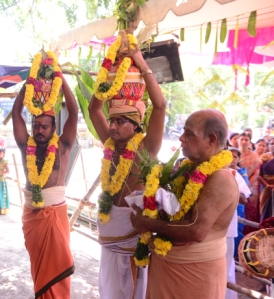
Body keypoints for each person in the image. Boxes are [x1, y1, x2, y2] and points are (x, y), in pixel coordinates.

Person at [130, 109, 239, 299]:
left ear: (211, 140)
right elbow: (178, 214)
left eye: (189, 134)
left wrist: (146, 223)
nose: (181, 138)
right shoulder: (186, 169)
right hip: (167, 268)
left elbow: (195, 230)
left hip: (194, 276)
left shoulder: (220, 178)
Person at [88, 45, 166, 298]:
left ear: (136, 126)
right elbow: (94, 110)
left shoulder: (146, 149)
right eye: (112, 120)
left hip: (133, 242)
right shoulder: (110, 144)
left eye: (120, 121)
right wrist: (108, 69)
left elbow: (161, 106)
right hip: (109, 241)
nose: (113, 125)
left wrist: (141, 64)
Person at [12, 75, 78, 299]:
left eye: (44, 126)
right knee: (40, 270)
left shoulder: (64, 145)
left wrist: (61, 80)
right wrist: (27, 86)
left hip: (55, 213)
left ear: (53, 127)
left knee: (58, 270)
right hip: (33, 214)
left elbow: (74, 111)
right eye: (36, 126)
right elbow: (16, 114)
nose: (39, 130)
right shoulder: (25, 145)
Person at [227, 147, 251, 299]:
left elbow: (244, 198)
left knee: (226, 265)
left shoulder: (234, 174)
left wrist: (227, 188)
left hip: (227, 226)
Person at [239, 132, 262, 234]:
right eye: (242, 139)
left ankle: (251, 234)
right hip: (236, 187)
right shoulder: (234, 154)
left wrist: (245, 187)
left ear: (249, 142)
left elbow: (256, 174)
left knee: (251, 212)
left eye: (246, 140)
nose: (244, 142)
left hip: (251, 187)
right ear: (238, 140)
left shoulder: (254, 156)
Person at [258, 137, 274, 222]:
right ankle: (264, 233)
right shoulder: (264, 157)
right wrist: (267, 185)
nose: (273, 145)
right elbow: (258, 175)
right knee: (266, 210)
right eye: (272, 143)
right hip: (266, 188)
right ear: (269, 146)